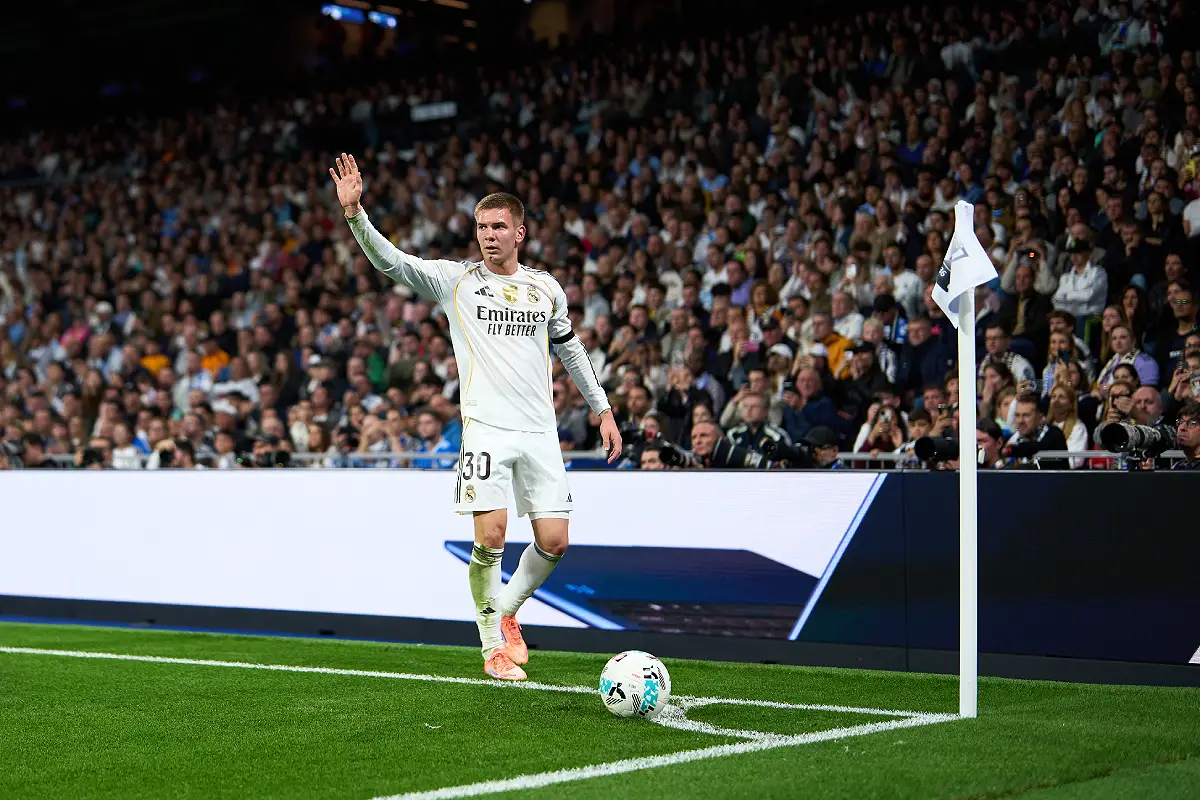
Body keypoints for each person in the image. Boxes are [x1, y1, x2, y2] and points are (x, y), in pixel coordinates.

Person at [332, 154, 622, 681]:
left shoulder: (545, 288)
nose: (488, 235)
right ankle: (491, 646)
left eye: (498, 227)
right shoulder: (455, 280)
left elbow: (572, 350)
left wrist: (602, 409)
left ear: (520, 232)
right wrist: (356, 216)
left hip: (539, 431)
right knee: (490, 536)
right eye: (481, 227)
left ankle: (506, 611)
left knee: (555, 541)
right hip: (486, 428)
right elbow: (392, 261)